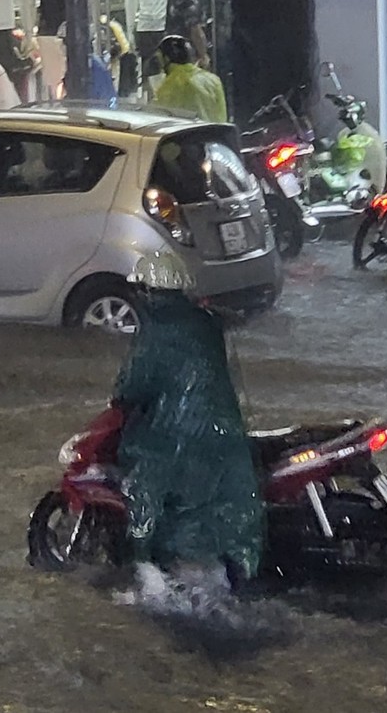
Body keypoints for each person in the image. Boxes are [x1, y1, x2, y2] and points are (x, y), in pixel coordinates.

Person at [113, 251, 262, 586]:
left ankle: (149, 566)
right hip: (227, 430)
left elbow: (131, 385)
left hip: (179, 435)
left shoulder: (156, 331)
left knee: (144, 481)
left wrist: (122, 396)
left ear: (147, 292)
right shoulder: (206, 322)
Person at [150, 0, 210, 70]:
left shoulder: (185, 0)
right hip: (177, 56)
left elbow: (196, 30)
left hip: (189, 57)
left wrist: (203, 56)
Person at [154, 35, 227, 123]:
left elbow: (161, 119)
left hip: (187, 135)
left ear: (166, 59)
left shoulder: (169, 85)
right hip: (214, 135)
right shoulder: (214, 79)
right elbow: (222, 117)